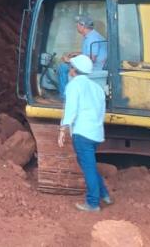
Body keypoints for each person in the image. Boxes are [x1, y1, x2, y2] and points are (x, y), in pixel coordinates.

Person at [58, 54, 112, 211]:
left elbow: (71, 110)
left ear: (74, 70)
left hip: (82, 134)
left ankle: (93, 203)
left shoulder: (74, 86)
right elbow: (101, 112)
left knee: (88, 167)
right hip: (96, 133)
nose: (69, 71)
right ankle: (105, 195)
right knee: (89, 165)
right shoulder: (97, 88)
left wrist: (63, 129)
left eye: (70, 68)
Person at [58, 15, 108, 98]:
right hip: (94, 65)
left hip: (95, 68)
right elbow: (89, 53)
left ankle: (64, 97)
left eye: (77, 24)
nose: (76, 26)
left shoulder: (92, 38)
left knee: (63, 67)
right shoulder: (90, 36)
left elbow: (92, 59)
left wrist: (70, 60)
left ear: (82, 26)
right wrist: (76, 53)